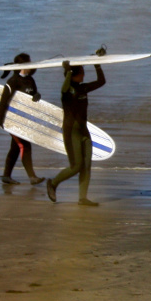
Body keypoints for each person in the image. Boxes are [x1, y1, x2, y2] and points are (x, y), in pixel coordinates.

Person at [47, 48, 106, 205]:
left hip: (83, 131)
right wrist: (67, 72)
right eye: (81, 72)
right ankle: (53, 183)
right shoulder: (67, 91)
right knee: (76, 166)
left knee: (86, 165)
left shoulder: (83, 87)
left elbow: (102, 82)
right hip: (71, 131)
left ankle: (82, 198)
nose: (84, 74)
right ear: (73, 75)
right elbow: (64, 88)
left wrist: (97, 64)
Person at [0, 53, 44, 186]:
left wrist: (36, 96)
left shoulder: (30, 80)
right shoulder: (13, 81)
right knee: (24, 145)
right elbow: (4, 101)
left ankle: (6, 176)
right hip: (12, 119)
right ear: (22, 65)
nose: (31, 65)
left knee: (15, 148)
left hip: (24, 120)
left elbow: (31, 98)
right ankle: (32, 177)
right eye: (28, 63)